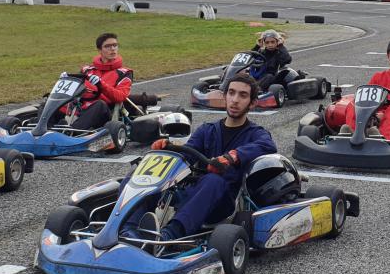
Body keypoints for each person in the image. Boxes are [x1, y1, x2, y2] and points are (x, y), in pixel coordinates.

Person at [143, 71, 274, 241]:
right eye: (231, 93)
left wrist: (232, 157)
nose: (235, 100)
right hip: (192, 193)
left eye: (242, 95)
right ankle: (127, 227)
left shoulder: (255, 134)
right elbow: (187, 155)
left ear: (252, 103)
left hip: (223, 203)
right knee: (147, 174)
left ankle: (169, 236)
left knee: (213, 180)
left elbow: (267, 146)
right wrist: (168, 151)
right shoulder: (208, 130)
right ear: (225, 96)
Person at [69, 33, 134, 129]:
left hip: (106, 112)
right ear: (99, 50)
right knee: (49, 100)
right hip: (82, 107)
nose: (112, 49)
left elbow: (120, 96)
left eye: (115, 45)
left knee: (99, 104)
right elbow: (75, 89)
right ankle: (42, 130)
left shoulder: (124, 73)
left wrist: (101, 84)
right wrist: (67, 79)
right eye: (107, 46)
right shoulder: (87, 70)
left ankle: (72, 132)